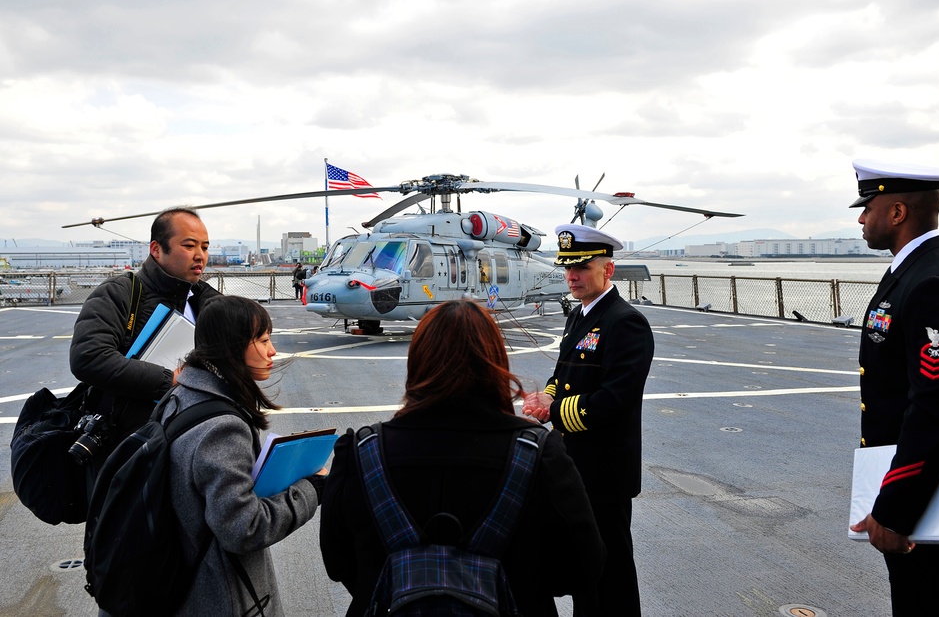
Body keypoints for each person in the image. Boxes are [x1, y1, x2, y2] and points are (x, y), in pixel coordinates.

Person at [320, 300, 605, 617]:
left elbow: (338, 562)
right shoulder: (539, 455)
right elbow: (584, 566)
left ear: (417, 362)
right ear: (495, 362)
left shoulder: (361, 452)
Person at [846, 159, 939, 615]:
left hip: (936, 507)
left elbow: (938, 409)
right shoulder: (920, 270)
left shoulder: (936, 283)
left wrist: (895, 509)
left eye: (867, 206)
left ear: (896, 213)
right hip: (928, 498)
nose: (860, 218)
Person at [522, 224, 653, 617]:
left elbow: (615, 400)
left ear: (608, 270)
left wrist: (554, 411)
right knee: (583, 569)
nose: (572, 276)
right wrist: (545, 394)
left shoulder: (625, 322)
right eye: (567, 268)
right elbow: (563, 374)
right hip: (575, 467)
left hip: (606, 472)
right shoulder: (579, 316)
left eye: (582, 267)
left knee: (610, 574)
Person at [163, 295, 323, 616]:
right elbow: (243, 528)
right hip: (218, 597)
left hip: (179, 580)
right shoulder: (222, 428)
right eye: (263, 340)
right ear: (231, 348)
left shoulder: (181, 395)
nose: (272, 351)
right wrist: (312, 490)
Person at [70, 206, 221, 449]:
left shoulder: (209, 301)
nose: (200, 255)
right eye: (190, 246)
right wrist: (171, 380)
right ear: (156, 249)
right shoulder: (118, 293)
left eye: (205, 247)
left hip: (192, 438)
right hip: (128, 446)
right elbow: (89, 358)